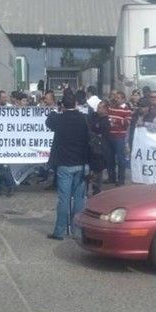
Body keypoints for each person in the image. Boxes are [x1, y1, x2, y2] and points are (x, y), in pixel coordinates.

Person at [45, 94, 91, 240]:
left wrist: (56, 111)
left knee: (64, 199)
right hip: (82, 163)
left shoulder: (59, 119)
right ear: (76, 104)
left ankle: (60, 231)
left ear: (62, 105)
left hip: (65, 164)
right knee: (79, 199)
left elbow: (49, 122)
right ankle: (77, 231)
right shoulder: (84, 119)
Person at [107, 91, 133, 185]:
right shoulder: (111, 107)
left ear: (123, 99)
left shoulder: (127, 110)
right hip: (110, 135)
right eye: (115, 97)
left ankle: (121, 179)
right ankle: (111, 177)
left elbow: (127, 122)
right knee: (110, 158)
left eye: (118, 98)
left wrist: (116, 120)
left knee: (120, 158)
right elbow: (107, 118)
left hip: (119, 137)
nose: (116, 99)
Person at [88, 101, 112, 195]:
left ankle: (97, 188)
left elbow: (102, 133)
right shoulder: (95, 117)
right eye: (98, 107)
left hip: (101, 147)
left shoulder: (106, 121)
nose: (98, 109)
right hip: (93, 147)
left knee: (98, 170)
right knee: (94, 169)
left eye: (100, 107)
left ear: (106, 109)